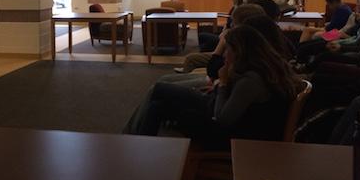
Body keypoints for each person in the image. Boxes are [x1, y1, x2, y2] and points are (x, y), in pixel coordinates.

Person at [128, 26, 301, 149]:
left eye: (229, 49)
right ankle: (139, 145)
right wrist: (220, 89)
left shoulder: (251, 80)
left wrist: (223, 84)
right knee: (158, 102)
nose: (226, 54)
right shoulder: (264, 70)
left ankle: (136, 143)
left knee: (160, 94)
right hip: (236, 120)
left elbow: (221, 119)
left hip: (234, 137)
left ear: (240, 51)